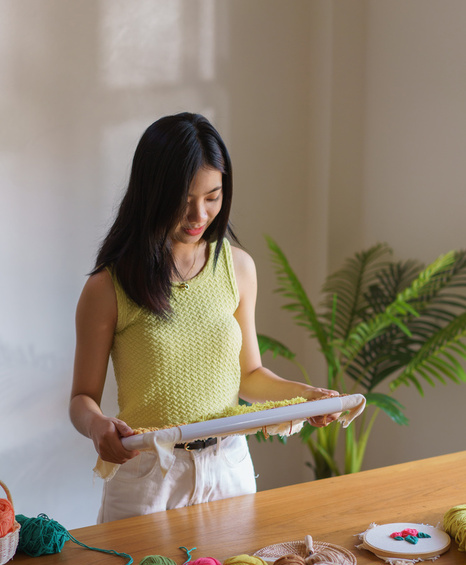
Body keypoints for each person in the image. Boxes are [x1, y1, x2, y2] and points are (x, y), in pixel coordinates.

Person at [70, 112, 339, 523]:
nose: (199, 215)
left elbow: (249, 374)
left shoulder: (238, 268)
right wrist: (97, 427)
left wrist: (305, 398)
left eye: (212, 197)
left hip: (229, 466)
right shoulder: (108, 288)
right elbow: (80, 400)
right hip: (148, 476)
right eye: (183, 200)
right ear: (152, 194)